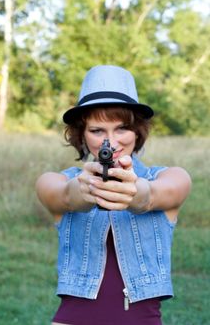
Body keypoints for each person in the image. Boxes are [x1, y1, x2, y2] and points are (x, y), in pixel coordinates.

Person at [36, 65, 191, 325]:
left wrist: (134, 193)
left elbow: (152, 195)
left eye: (121, 128)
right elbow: (63, 195)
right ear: (82, 135)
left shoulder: (169, 177)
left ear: (137, 131)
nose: (112, 141)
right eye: (97, 131)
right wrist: (87, 189)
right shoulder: (60, 180)